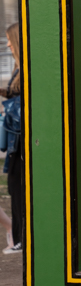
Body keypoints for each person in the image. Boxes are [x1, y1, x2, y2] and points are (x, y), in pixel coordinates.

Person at [2, 23, 22, 255]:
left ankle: (20, 238)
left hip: (21, 138)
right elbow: (15, 93)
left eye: (9, 39)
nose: (7, 44)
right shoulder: (18, 67)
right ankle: (17, 236)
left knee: (18, 187)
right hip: (14, 138)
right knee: (14, 186)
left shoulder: (29, 68)